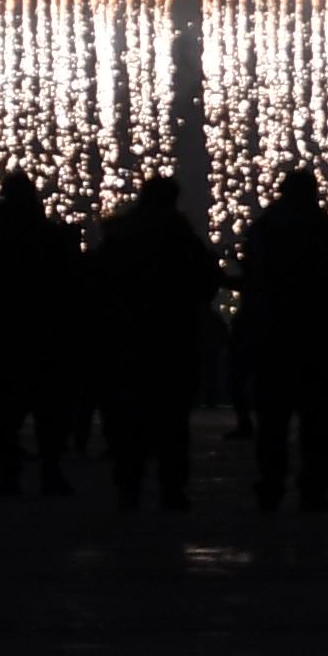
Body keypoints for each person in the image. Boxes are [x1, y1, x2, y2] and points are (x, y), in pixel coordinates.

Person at [0, 168, 84, 498]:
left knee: (6, 413)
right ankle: (50, 474)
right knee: (48, 412)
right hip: (44, 334)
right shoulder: (47, 235)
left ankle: (9, 476)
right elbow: (71, 279)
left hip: (2, 334)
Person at [87, 174, 220, 512]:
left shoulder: (119, 238)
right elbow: (206, 282)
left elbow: (95, 285)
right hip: (172, 339)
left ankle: (128, 485)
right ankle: (171, 487)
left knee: (126, 418)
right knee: (172, 421)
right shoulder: (181, 238)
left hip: (124, 340)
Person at [240, 166, 328, 512]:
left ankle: (271, 486)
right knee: (318, 423)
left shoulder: (265, 231)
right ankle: (313, 487)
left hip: (274, 338)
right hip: (317, 340)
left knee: (273, 421)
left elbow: (255, 280)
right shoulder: (326, 231)